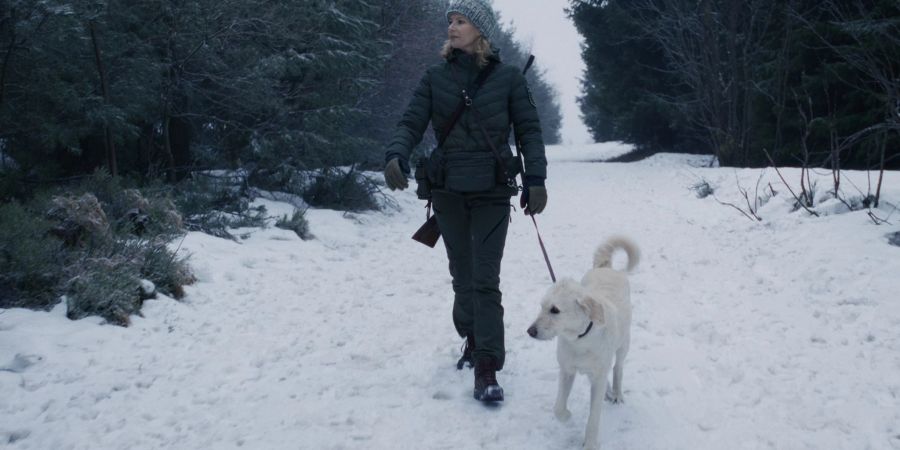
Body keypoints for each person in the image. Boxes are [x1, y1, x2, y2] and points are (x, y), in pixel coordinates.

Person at [382, 0, 547, 403]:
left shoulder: (508, 78)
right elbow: (411, 121)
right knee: (463, 276)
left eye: (461, 22)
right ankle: (472, 339)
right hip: (448, 191)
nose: (452, 28)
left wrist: (536, 179)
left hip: (492, 190)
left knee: (485, 278)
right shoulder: (435, 76)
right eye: (450, 21)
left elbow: (529, 131)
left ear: (481, 31)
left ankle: (488, 366)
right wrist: (395, 154)